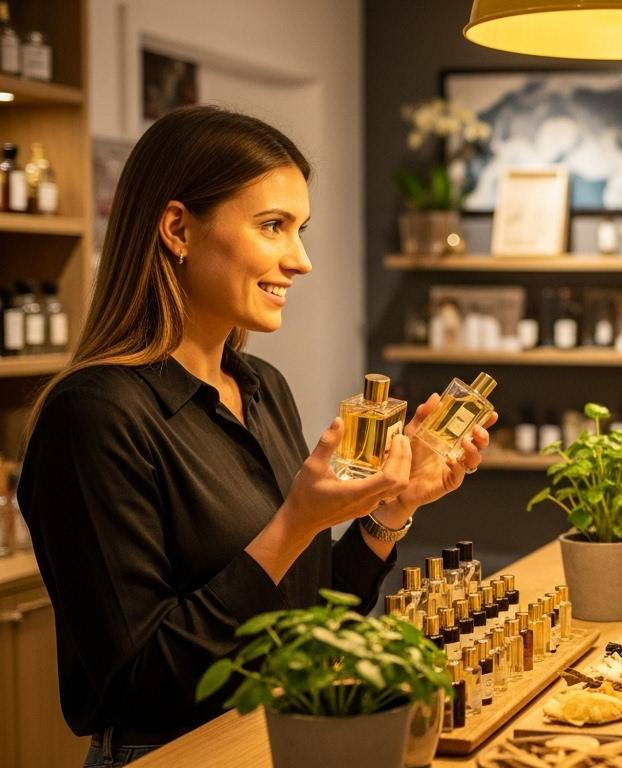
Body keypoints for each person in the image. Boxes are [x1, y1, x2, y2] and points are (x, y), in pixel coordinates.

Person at [17, 106, 496, 768]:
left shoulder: (262, 387)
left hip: (283, 741)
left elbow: (311, 622)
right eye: (273, 226)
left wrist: (392, 509)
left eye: (299, 229)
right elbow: (139, 683)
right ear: (178, 229)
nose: (300, 260)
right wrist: (293, 523)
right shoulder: (95, 415)